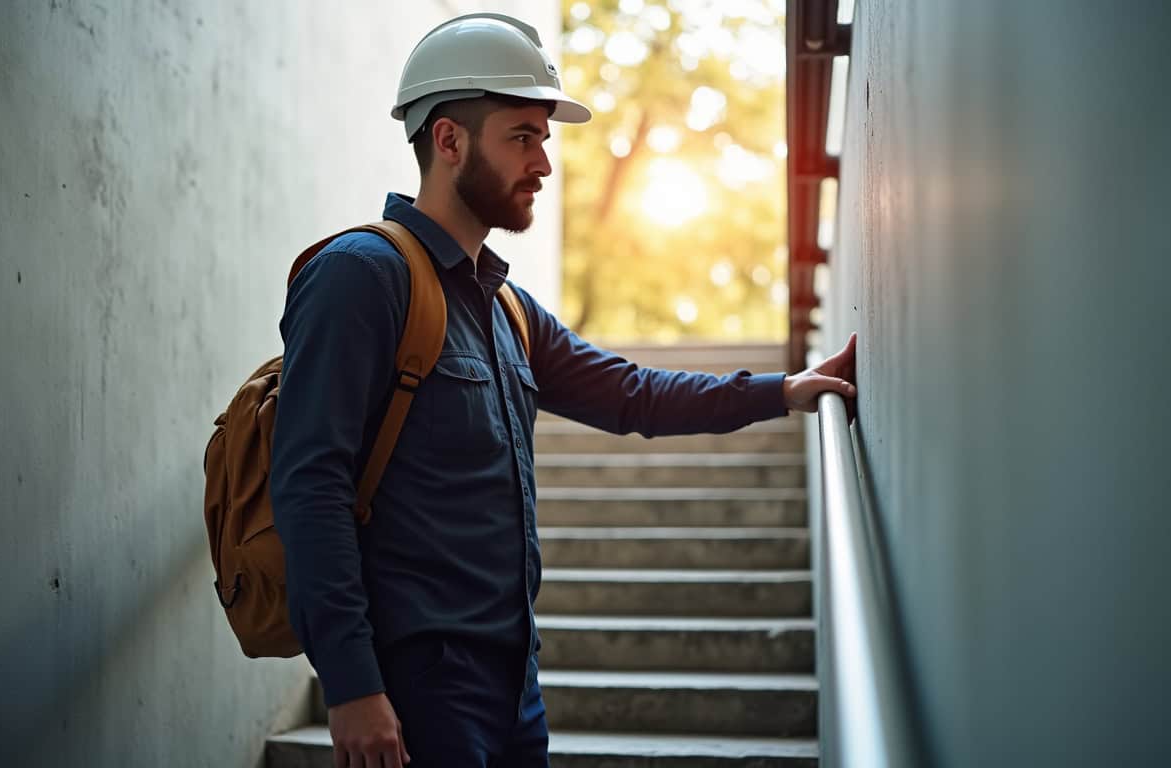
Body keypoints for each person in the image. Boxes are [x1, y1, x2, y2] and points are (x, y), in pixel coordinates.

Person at [269, 12, 858, 768]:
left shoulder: (505, 306)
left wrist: (783, 390)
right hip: (416, 688)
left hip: (514, 685)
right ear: (448, 141)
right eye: (523, 136)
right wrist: (350, 685)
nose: (545, 162)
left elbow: (631, 394)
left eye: (544, 139)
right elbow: (309, 482)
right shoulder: (363, 275)